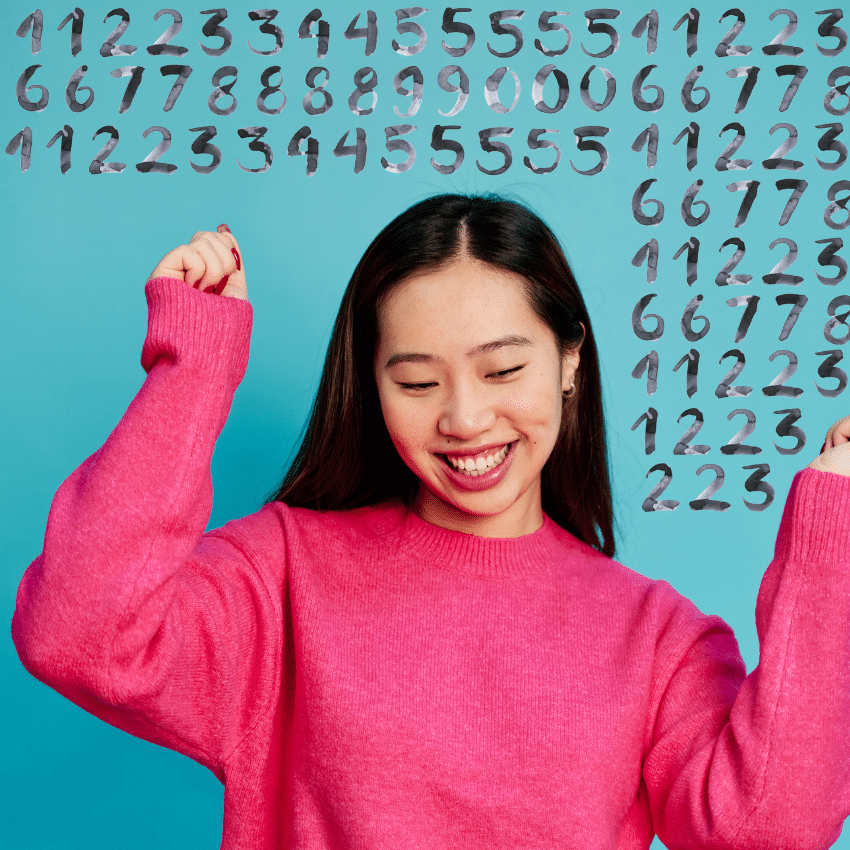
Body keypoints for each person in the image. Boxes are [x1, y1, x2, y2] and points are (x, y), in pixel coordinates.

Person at [12, 193, 850, 849]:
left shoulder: (658, 640)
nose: (464, 419)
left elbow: (771, 825)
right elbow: (76, 632)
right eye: (416, 383)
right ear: (371, 385)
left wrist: (832, 542)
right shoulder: (285, 576)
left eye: (503, 369)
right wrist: (194, 366)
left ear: (569, 360)